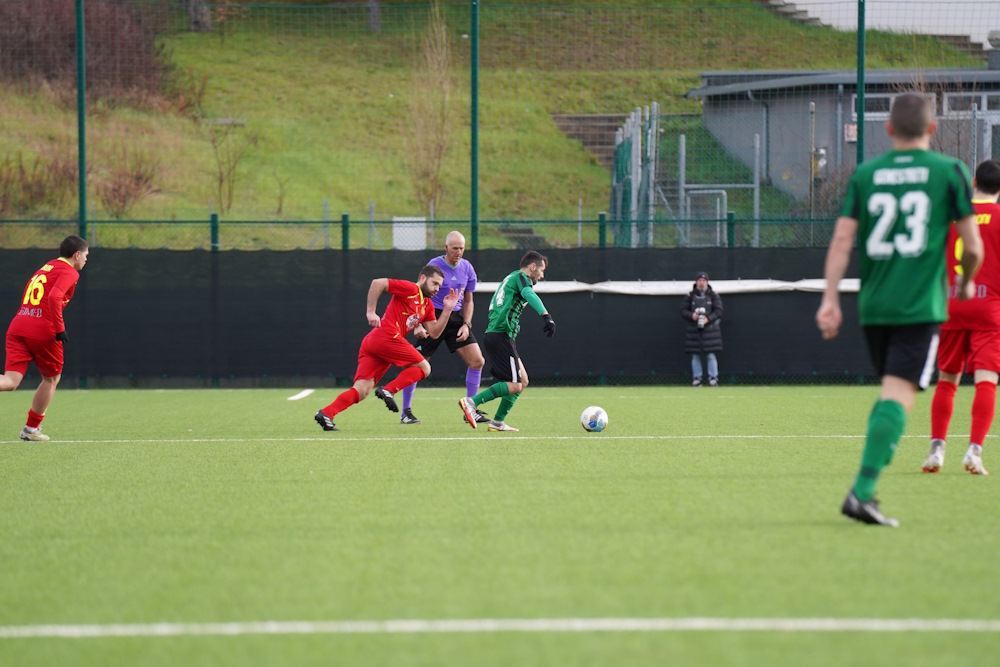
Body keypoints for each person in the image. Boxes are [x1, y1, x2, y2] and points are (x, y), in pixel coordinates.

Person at [816, 91, 983, 527]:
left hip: (873, 306)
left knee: (891, 392)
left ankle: (865, 488)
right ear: (932, 129)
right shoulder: (950, 171)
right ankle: (862, 493)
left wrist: (831, 299)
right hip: (919, 307)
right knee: (898, 396)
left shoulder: (866, 173)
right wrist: (964, 281)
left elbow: (841, 242)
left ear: (888, 130)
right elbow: (975, 248)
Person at [923, 159, 1000, 476]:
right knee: (986, 381)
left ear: (972, 181)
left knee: (947, 379)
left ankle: (937, 450)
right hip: (989, 308)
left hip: (952, 302)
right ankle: (974, 450)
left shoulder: (954, 216)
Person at [314, 265, 459, 431]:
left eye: (440, 286)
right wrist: (370, 312)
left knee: (362, 390)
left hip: (376, 342)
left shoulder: (427, 305)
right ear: (423, 278)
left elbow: (434, 332)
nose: (437, 289)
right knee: (425, 368)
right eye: (435, 283)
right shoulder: (411, 288)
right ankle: (389, 390)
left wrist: (447, 310)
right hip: (386, 336)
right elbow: (378, 283)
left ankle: (326, 413)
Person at [1, 235, 90, 441]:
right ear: (77, 255)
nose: (86, 260)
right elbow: (53, 297)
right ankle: (31, 429)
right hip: (42, 330)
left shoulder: (47, 266)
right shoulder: (70, 272)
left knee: (10, 381)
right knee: (51, 379)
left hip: (18, 325)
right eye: (85, 256)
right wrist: (59, 329)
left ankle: (31, 430)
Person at [458, 250, 555, 432]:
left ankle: (498, 422)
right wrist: (546, 315)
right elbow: (528, 293)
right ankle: (471, 402)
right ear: (532, 267)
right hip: (500, 335)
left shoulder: (511, 278)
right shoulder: (521, 278)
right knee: (514, 384)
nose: (542, 275)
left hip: (499, 335)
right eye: (541, 270)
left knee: (523, 381)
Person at [400, 231, 488, 425]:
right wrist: (418, 324)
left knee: (477, 361)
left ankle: (469, 410)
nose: (459, 252)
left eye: (462, 248)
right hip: (433, 316)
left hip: (456, 320)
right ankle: (406, 412)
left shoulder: (467, 268)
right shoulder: (434, 266)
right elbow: (418, 295)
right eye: (455, 248)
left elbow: (469, 300)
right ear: (446, 247)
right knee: (417, 365)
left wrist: (466, 324)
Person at [680, 271, 723, 387]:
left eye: (704, 281)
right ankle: (697, 378)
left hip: (711, 331)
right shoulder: (689, 296)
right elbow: (683, 311)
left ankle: (713, 379)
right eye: (699, 280)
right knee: (695, 355)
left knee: (710, 355)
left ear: (707, 282)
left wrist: (707, 319)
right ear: (696, 282)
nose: (701, 283)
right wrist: (692, 316)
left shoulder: (714, 295)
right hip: (693, 331)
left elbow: (718, 311)